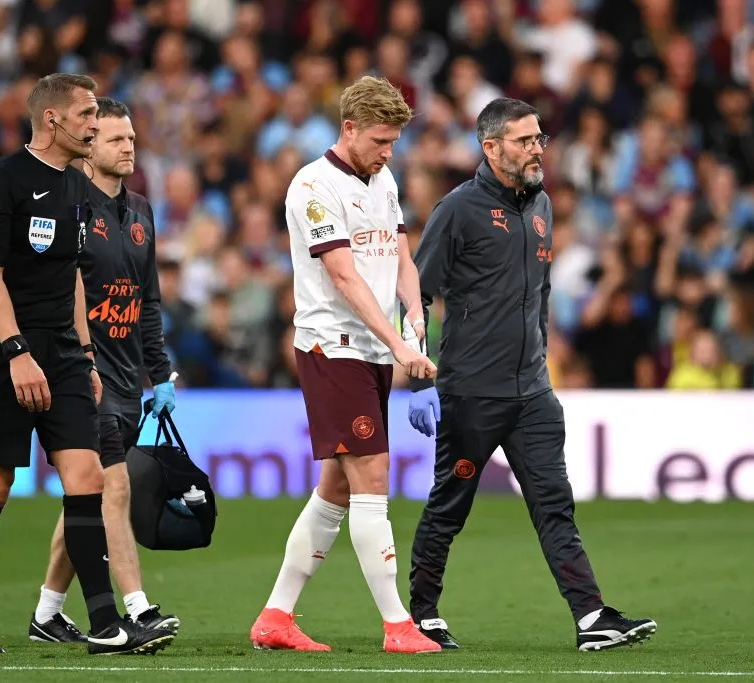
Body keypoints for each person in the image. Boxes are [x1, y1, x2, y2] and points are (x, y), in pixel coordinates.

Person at [406, 98, 657, 652]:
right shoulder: (457, 210)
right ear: (491, 147)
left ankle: (591, 616)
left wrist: (543, 353)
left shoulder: (541, 203)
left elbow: (538, 293)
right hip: (471, 392)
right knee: (450, 507)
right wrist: (420, 379)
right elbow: (414, 295)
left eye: (539, 138)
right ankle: (421, 615)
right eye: (524, 141)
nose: (537, 149)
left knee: (555, 505)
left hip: (533, 392)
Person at [0, 73, 174, 656]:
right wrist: (17, 353)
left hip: (67, 355)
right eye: (88, 113)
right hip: (5, 354)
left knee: (87, 479)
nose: (95, 123)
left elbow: (71, 273)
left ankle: (103, 623)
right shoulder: (2, 181)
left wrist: (84, 351)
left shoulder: (75, 188)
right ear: (53, 120)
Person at [249, 76, 441, 654]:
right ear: (349, 128)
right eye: (381, 140)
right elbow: (343, 276)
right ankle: (397, 625)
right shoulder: (313, 185)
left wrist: (415, 318)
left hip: (376, 350)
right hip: (334, 347)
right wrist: (400, 346)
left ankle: (276, 618)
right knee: (372, 478)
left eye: (395, 142)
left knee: (336, 485)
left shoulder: (383, 179)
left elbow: (401, 256)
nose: (389, 152)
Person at [28, 97, 181, 644]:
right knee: (112, 488)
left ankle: (47, 613)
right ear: (88, 146)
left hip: (125, 375)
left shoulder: (139, 209)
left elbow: (148, 299)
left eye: (132, 139)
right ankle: (137, 608)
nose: (129, 148)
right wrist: (75, 358)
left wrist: (159, 373)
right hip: (80, 372)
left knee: (86, 495)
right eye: (117, 140)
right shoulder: (68, 206)